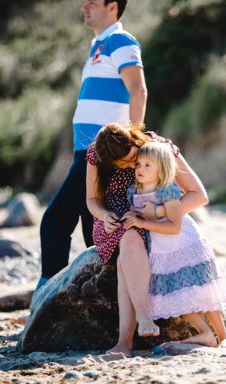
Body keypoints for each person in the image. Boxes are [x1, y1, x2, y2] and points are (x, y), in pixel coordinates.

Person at [37, 0, 147, 289]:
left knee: (55, 223)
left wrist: (136, 138)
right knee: (94, 230)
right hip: (85, 149)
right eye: (85, 3)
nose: (85, 8)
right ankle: (108, 297)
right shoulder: (98, 45)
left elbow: (138, 89)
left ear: (112, 7)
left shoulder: (120, 40)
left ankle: (47, 295)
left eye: (92, 2)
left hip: (101, 151)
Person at [85, 123, 211, 357]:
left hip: (152, 223)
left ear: (134, 140)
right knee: (128, 240)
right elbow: (92, 199)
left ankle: (126, 340)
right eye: (122, 165)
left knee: (127, 254)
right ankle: (132, 333)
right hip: (115, 223)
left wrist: (157, 213)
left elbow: (199, 196)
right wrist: (104, 216)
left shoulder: (157, 148)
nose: (131, 166)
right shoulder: (96, 154)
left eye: (132, 158)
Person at [122, 142, 226, 347]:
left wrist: (142, 222)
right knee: (177, 294)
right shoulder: (133, 191)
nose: (140, 169)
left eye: (148, 165)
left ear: (161, 168)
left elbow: (174, 227)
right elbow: (140, 216)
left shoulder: (167, 190)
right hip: (162, 250)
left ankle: (223, 336)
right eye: (138, 164)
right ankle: (206, 333)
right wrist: (132, 216)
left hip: (185, 245)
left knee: (202, 292)